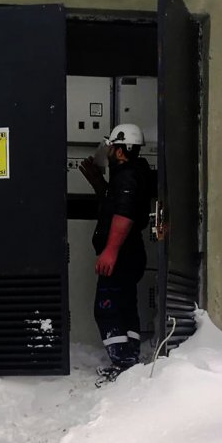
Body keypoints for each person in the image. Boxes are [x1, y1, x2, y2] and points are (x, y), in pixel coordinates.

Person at [80, 123, 153, 372]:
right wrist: (98, 181)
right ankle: (129, 359)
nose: (107, 151)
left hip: (122, 255)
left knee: (107, 308)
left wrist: (110, 250)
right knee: (125, 306)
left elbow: (124, 213)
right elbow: (115, 200)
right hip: (131, 254)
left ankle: (122, 363)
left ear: (121, 151)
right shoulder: (133, 173)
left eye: (111, 147)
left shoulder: (127, 176)